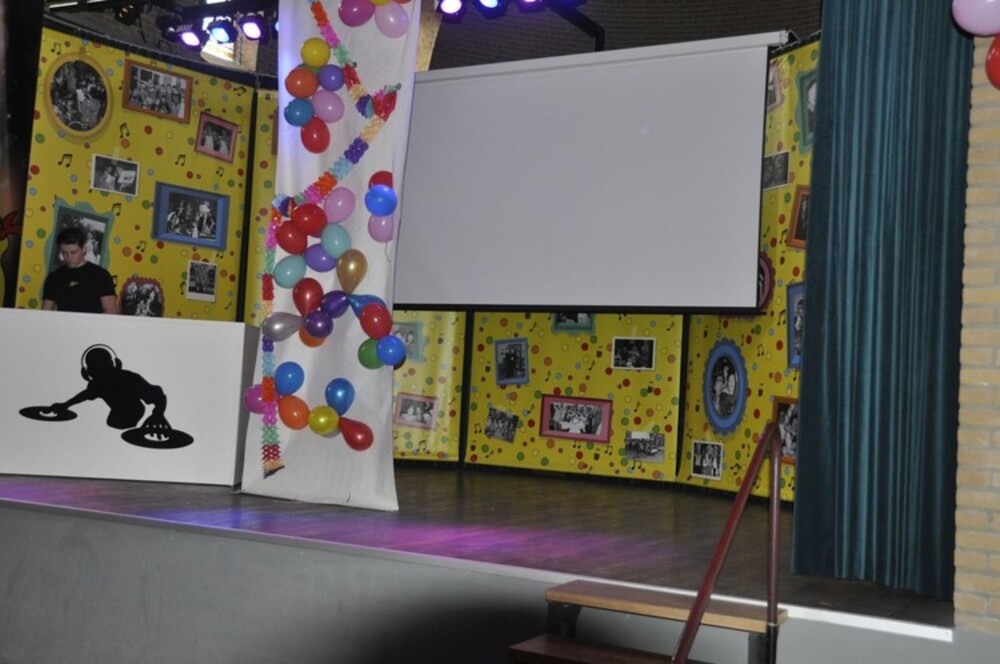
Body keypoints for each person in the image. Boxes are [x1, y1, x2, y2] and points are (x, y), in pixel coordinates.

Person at [42, 226, 118, 314]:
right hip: (63, 323)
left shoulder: (101, 275)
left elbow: (111, 311)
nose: (69, 257)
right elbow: (45, 313)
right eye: (64, 253)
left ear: (84, 249)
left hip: (92, 323)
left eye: (73, 252)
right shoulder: (54, 278)